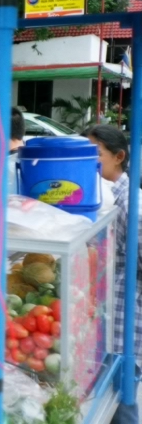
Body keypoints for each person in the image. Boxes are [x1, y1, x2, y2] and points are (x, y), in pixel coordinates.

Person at [82, 125, 141, 424]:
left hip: (125, 322)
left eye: (96, 154)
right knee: (109, 400)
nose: (89, 161)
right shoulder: (103, 196)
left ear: (119, 156)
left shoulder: (134, 204)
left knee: (122, 400)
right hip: (108, 316)